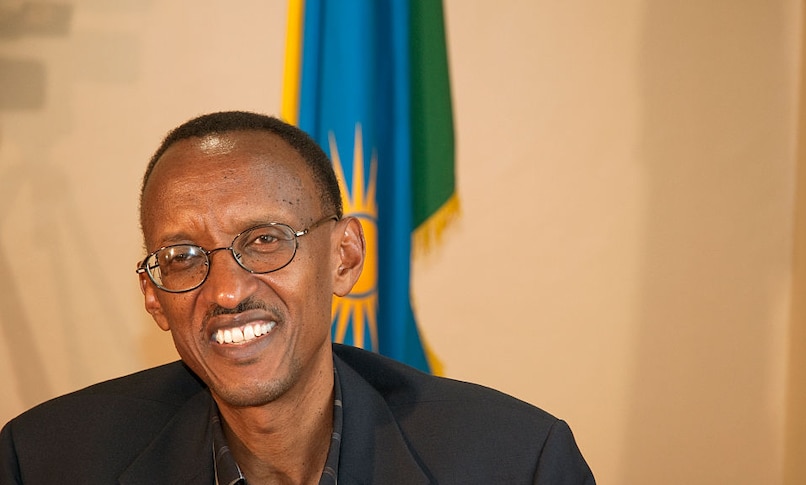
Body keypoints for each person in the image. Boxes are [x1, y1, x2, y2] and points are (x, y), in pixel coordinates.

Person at [0, 111, 595, 484]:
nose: (228, 291)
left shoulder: (515, 463)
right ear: (154, 298)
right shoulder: (44, 461)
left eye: (263, 241)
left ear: (345, 258)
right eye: (183, 257)